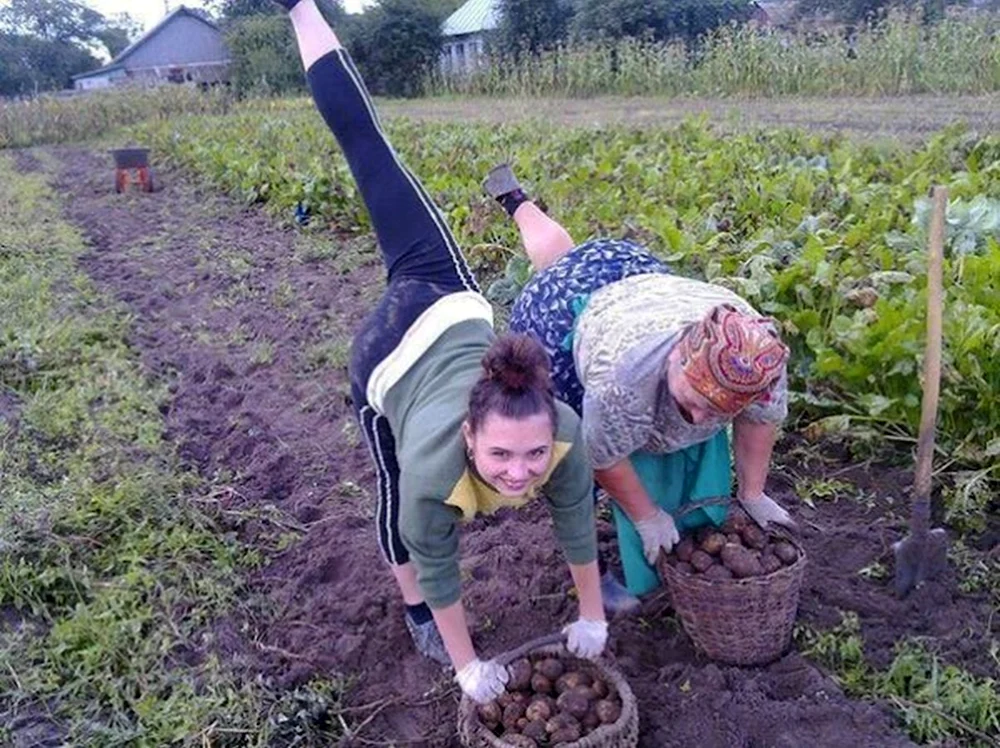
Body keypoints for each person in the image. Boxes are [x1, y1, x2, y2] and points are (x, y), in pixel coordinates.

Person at [277, 1, 608, 704]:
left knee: (372, 154)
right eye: (499, 458)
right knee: (399, 498)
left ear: (553, 428)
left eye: (530, 455)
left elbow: (576, 517)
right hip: (386, 362)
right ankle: (301, 7)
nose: (520, 475)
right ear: (468, 436)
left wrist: (592, 615)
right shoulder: (437, 473)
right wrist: (468, 667)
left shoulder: (566, 440)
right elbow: (440, 556)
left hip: (446, 297)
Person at [484, 164, 795, 601]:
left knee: (562, 256)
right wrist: (647, 516)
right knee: (570, 456)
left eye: (718, 411)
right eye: (697, 401)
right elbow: (604, 455)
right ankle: (590, 565)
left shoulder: (758, 355)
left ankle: (517, 201)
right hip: (562, 321)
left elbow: (760, 419)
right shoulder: (621, 382)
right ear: (678, 359)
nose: (702, 418)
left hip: (631, 275)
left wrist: (753, 493)